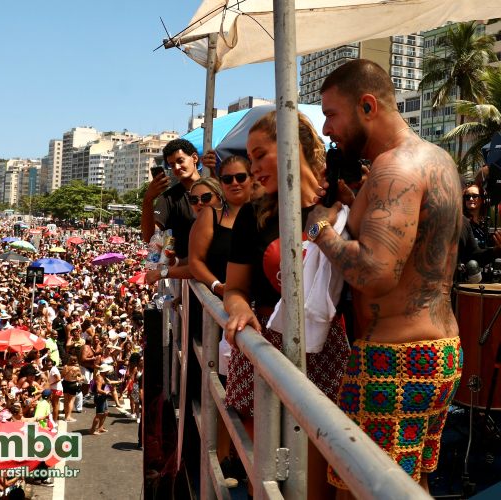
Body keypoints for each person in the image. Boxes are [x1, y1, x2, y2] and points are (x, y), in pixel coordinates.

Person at [305, 59, 463, 493]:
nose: (326, 128)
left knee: (359, 486)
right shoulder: (438, 160)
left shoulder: (395, 169)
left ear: (368, 106)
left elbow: (375, 271)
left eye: (332, 113)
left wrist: (320, 229)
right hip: (440, 354)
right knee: (411, 484)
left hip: (394, 360)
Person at [223, 110, 350, 498]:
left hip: (326, 355)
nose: (252, 167)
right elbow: (233, 289)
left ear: (294, 147)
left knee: (315, 480)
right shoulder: (253, 215)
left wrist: (327, 220)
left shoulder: (344, 204)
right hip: (266, 353)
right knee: (266, 478)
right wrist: (240, 307)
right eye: (250, 157)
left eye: (261, 155)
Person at [189, 158, 254, 298]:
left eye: (241, 177)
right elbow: (195, 261)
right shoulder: (210, 215)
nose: (235, 183)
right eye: (227, 179)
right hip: (221, 305)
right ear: (221, 184)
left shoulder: (266, 213)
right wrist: (216, 286)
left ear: (252, 178)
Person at [141, 138, 201, 282]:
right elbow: (150, 238)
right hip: (185, 278)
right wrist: (148, 200)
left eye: (180, 161)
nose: (177, 168)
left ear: (194, 158)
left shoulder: (215, 188)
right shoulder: (168, 198)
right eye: (171, 165)